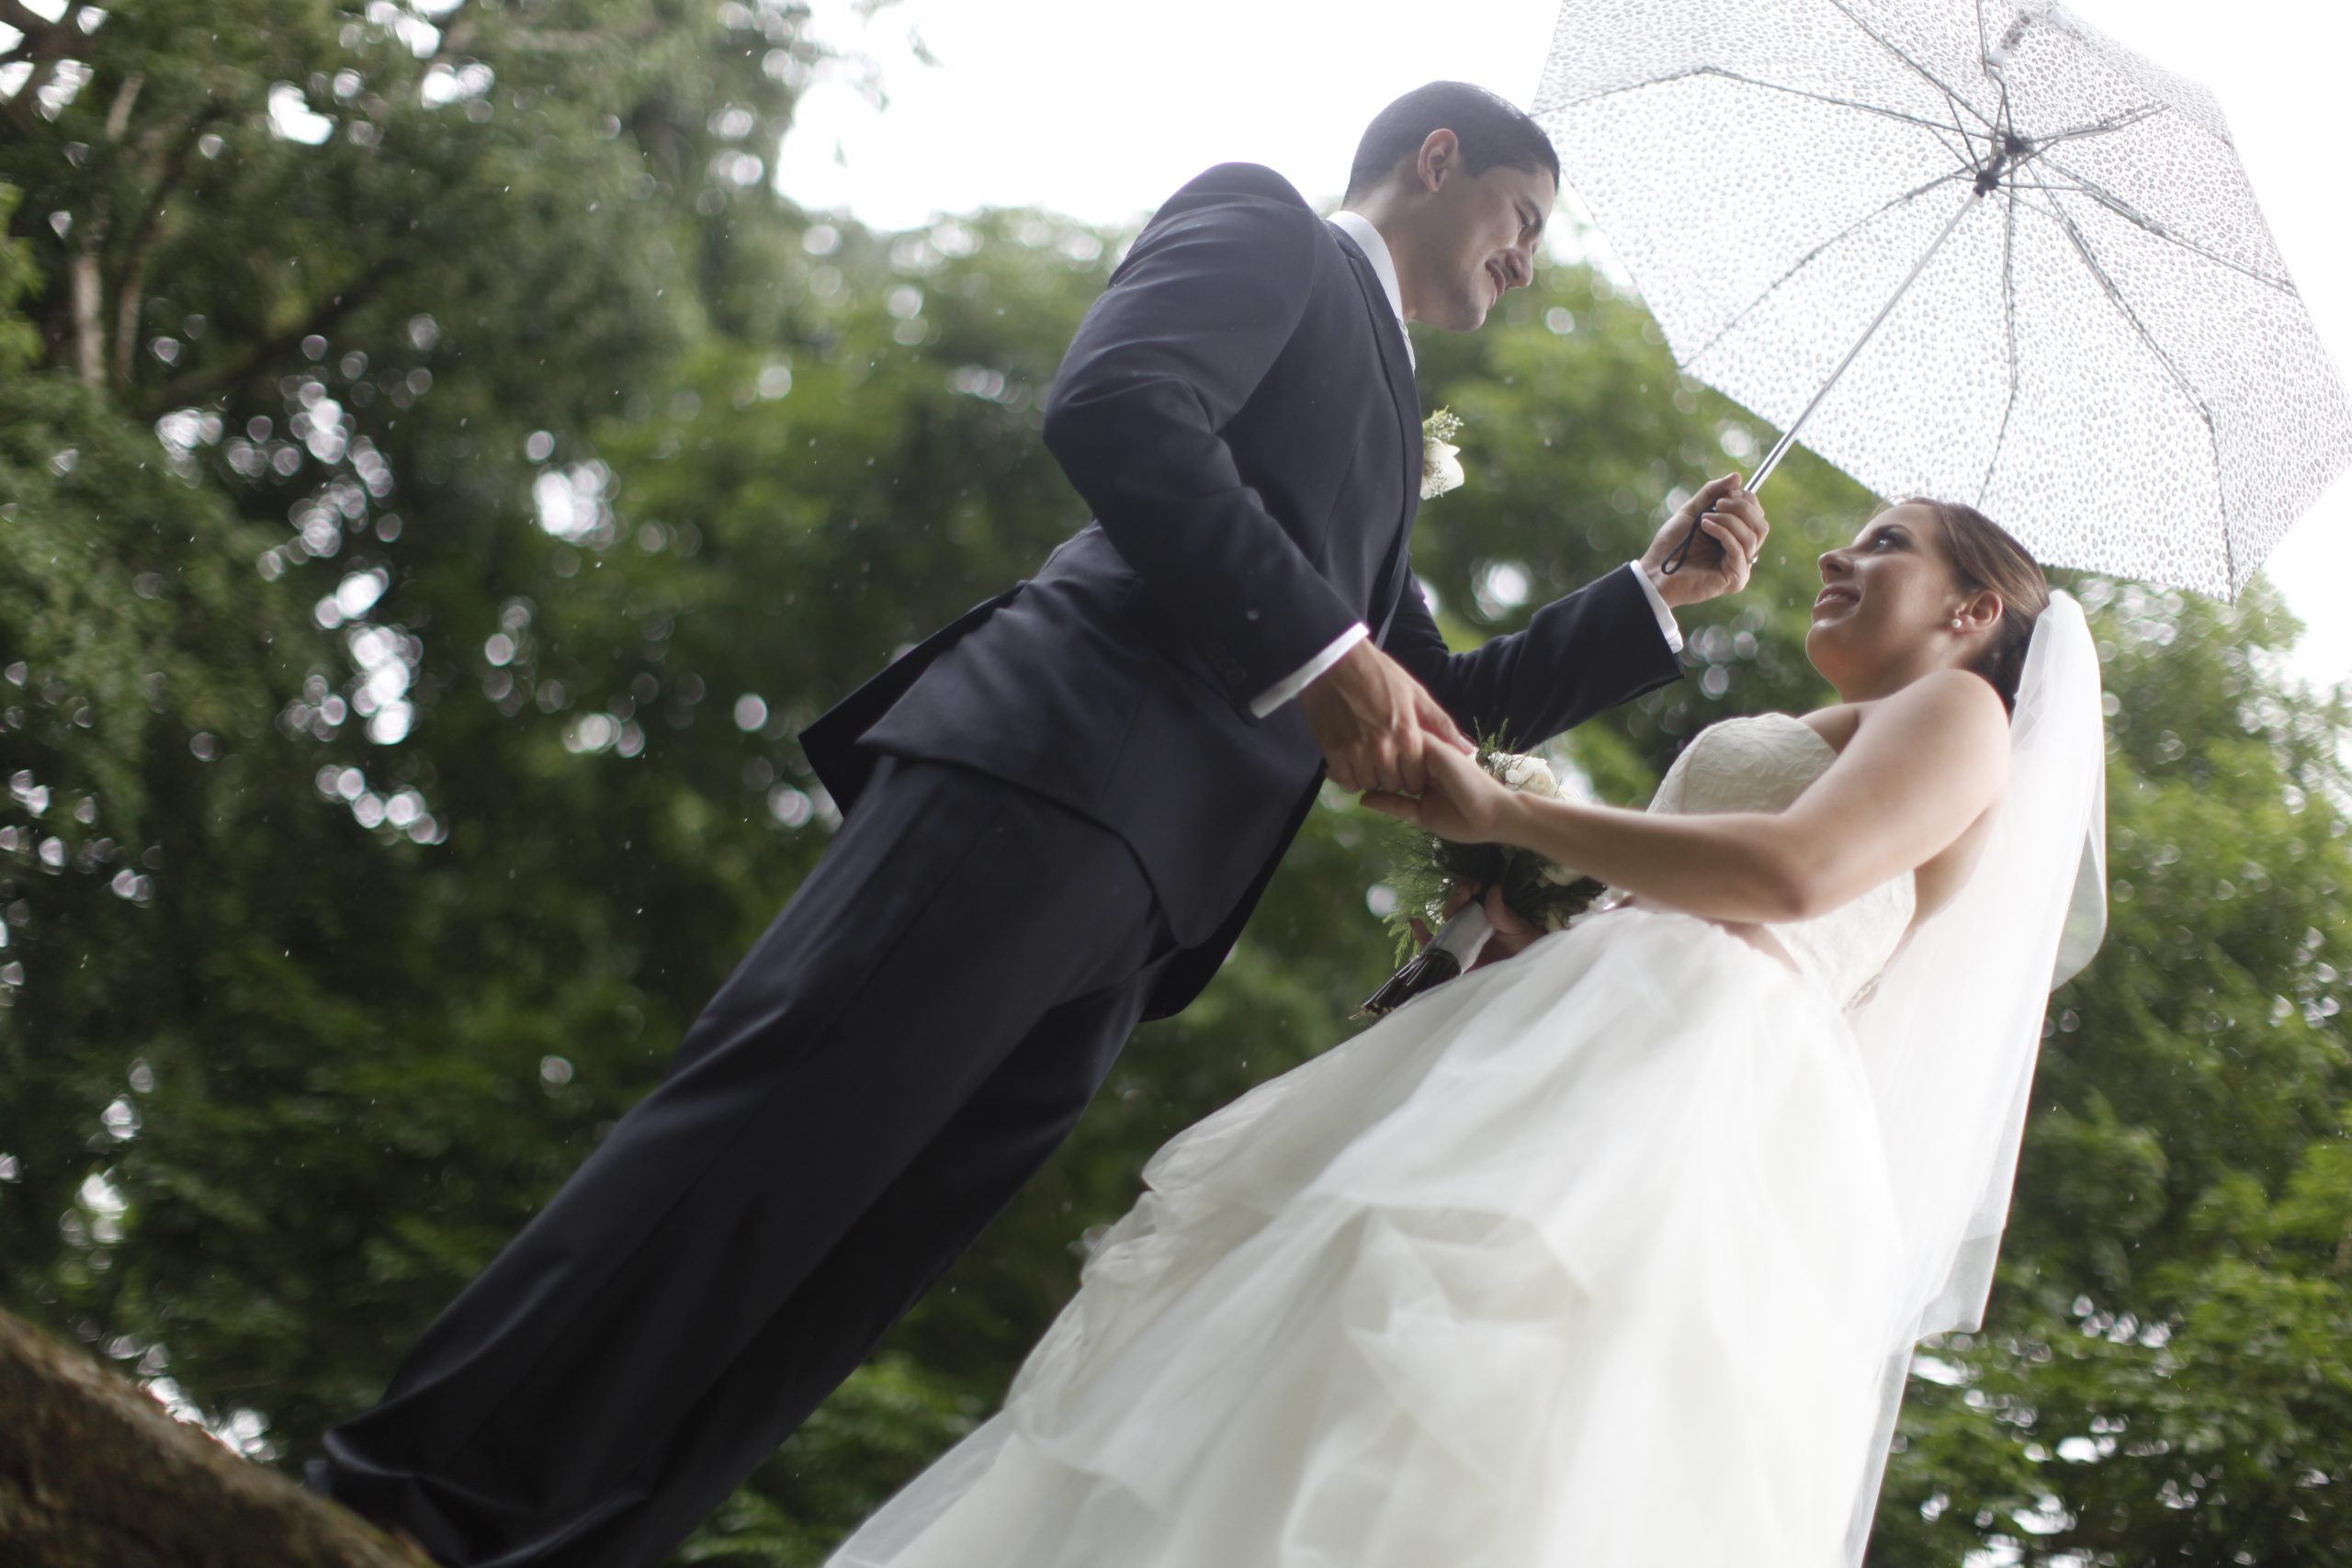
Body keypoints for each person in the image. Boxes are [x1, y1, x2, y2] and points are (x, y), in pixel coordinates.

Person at [308, 82, 1770, 1567]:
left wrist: (1655, 594)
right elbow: (1123, 404)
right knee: (773, 1134)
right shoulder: (1266, 224)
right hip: (1051, 771)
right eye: (1522, 218)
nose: (1526, 260)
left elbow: (1440, 689)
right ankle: (402, 1493)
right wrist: (1330, 661)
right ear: (1437, 159)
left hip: (1148, 908)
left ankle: (564, 1551)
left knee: (866, 1246)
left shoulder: (1392, 439)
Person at [820, 500, 2109, 1568]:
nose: (1838, 554)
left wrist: (1515, 814)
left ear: (1971, 613)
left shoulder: (1960, 716)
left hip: (1695, 1087)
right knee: (1365, 1332)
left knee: (1517, 1384)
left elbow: (1788, 875)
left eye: (1886, 544)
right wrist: (1524, 902)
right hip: (1606, 1032)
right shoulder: (1868, 722)